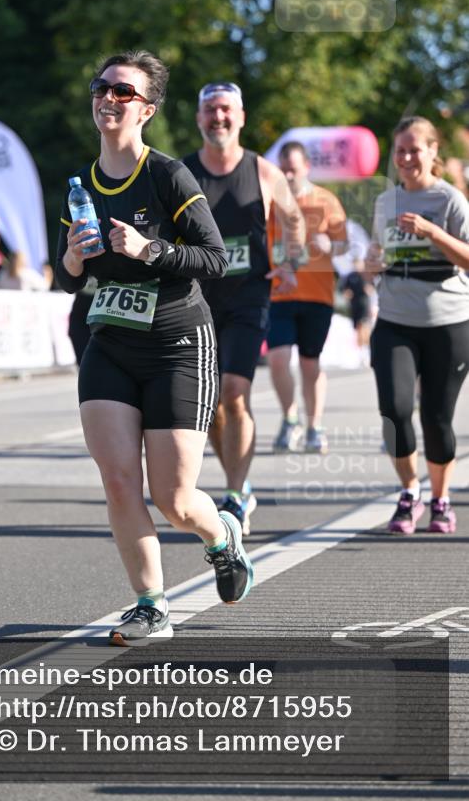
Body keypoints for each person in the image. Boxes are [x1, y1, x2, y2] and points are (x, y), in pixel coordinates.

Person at [55, 50, 253, 645]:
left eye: (124, 92)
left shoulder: (169, 176)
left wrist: (151, 250)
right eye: (102, 88)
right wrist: (71, 258)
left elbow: (215, 259)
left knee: (173, 499)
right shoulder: (80, 184)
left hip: (177, 343)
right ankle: (150, 605)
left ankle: (219, 533)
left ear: (147, 110)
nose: (109, 99)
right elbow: (69, 275)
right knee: (118, 481)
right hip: (110, 340)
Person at [183, 82, 305, 534]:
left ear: (241, 117)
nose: (219, 118)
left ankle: (234, 495)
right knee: (211, 404)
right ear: (199, 119)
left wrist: (291, 261)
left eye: (226, 110)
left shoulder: (263, 171)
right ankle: (241, 482)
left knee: (235, 391)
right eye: (211, 110)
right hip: (196, 298)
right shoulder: (182, 172)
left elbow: (293, 218)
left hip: (249, 295)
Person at [367, 116, 469, 535]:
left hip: (448, 323)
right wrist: (372, 264)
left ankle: (441, 499)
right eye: (400, 150)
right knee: (394, 410)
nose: (407, 157)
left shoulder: (451, 201)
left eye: (415, 149)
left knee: (437, 418)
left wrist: (431, 231)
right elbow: (380, 256)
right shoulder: (385, 203)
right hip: (395, 322)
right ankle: (410, 492)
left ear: (432, 152)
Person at [267, 141, 348, 453]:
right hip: (279, 293)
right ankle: (290, 418)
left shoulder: (325, 200)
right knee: (277, 360)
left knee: (309, 364)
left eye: (294, 169)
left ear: (307, 168)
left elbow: (344, 244)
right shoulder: (271, 200)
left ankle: (314, 425)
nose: (288, 174)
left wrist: (331, 244)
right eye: (283, 169)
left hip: (317, 295)